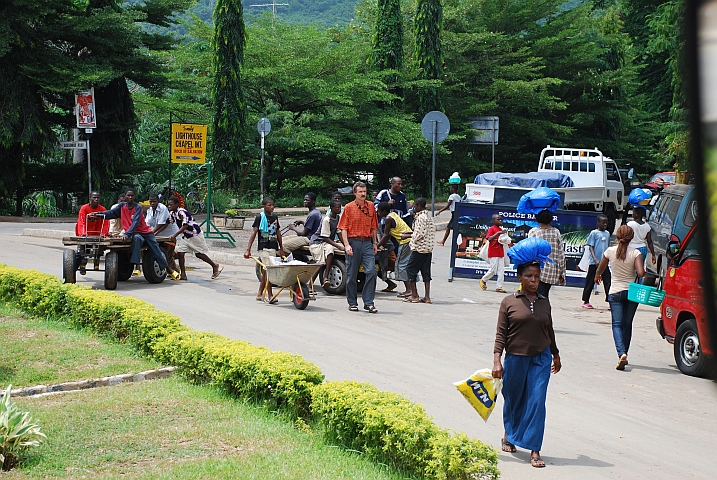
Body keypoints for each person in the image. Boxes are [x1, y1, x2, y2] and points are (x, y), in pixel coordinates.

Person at [492, 257, 561, 469]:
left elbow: (548, 330)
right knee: (513, 398)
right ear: (519, 277)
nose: (534, 281)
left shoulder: (544, 302)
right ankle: (509, 433)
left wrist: (555, 354)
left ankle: (534, 449)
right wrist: (497, 359)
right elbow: (501, 333)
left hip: (541, 358)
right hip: (515, 357)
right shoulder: (509, 302)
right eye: (529, 276)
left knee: (537, 402)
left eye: (537, 277)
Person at [90, 188, 173, 279]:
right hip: (135, 233)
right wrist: (98, 215)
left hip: (145, 232)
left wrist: (127, 234)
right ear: (125, 196)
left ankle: (168, 269)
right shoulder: (121, 206)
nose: (130, 197)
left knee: (155, 249)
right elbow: (111, 213)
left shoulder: (138, 207)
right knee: (137, 240)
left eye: (132, 195)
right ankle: (137, 267)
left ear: (134, 197)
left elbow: (135, 222)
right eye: (128, 195)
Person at [595, 225, 646, 370]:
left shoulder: (610, 251)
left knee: (617, 324)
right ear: (632, 237)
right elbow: (641, 273)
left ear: (617, 236)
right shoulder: (636, 253)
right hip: (631, 293)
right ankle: (625, 353)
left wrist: (597, 276)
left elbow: (601, 268)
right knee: (627, 324)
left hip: (615, 292)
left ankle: (621, 353)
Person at [338, 181, 379, 313]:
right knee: (351, 274)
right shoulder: (349, 208)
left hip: (367, 242)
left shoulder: (371, 206)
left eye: (364, 191)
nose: (363, 194)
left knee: (371, 271)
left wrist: (374, 243)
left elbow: (374, 227)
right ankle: (352, 302)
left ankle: (368, 302)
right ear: (355, 193)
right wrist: (346, 245)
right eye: (360, 192)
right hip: (353, 242)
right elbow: (343, 228)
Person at [166, 196, 222, 281]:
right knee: (181, 253)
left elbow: (185, 225)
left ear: (177, 204)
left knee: (199, 254)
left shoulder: (182, 212)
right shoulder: (172, 214)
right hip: (185, 236)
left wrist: (174, 235)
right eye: (168, 205)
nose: (169, 206)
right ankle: (183, 274)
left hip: (194, 234)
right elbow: (167, 223)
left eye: (171, 205)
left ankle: (215, 265)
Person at [244, 196, 285, 303]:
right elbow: (254, 233)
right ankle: (270, 295)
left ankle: (259, 294)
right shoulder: (259, 218)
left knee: (267, 271)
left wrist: (281, 248)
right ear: (264, 206)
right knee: (269, 270)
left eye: (273, 205)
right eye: (269, 205)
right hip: (264, 248)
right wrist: (248, 249)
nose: (272, 207)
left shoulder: (275, 217)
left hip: (273, 247)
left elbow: (278, 233)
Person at [528, 209, 566, 298]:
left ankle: (542, 311)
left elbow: (529, 250)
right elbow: (561, 254)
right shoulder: (556, 232)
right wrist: (562, 273)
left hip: (537, 269)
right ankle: (544, 310)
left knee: (539, 296)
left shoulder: (534, 231)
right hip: (552, 270)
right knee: (544, 294)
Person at [376, 202, 411, 296]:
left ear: (383, 211)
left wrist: (377, 245)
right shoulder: (393, 214)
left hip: (405, 242)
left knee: (400, 265)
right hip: (408, 240)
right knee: (402, 265)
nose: (378, 213)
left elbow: (386, 235)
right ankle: (410, 289)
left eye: (379, 211)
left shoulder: (388, 218)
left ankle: (409, 290)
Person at [404, 198, 434, 304]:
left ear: (420, 206)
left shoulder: (421, 218)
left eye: (415, 206)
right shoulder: (428, 217)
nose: (414, 208)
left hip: (419, 248)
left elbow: (419, 233)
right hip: (428, 249)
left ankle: (414, 295)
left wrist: (411, 240)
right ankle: (427, 297)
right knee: (426, 272)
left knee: (410, 269)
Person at [309, 199, 345, 288]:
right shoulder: (327, 220)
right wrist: (338, 246)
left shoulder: (337, 218)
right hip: (317, 242)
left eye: (340, 207)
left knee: (330, 251)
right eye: (337, 207)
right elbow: (325, 237)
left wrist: (345, 244)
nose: (339, 209)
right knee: (321, 264)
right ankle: (309, 285)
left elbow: (338, 232)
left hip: (326, 243)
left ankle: (326, 277)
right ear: (332, 208)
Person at [581, 214, 612, 309]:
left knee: (608, 281)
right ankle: (586, 300)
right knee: (590, 281)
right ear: (598, 223)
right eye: (603, 222)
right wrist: (595, 259)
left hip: (604, 262)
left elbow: (607, 247)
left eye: (606, 222)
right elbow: (591, 247)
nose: (605, 224)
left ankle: (610, 300)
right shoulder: (593, 233)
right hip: (594, 262)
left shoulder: (607, 234)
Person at [75, 191, 110, 274]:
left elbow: (106, 223)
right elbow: (81, 221)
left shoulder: (102, 209)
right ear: (90, 198)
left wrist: (104, 233)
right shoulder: (84, 208)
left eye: (98, 197)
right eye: (94, 197)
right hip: (86, 233)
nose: (96, 199)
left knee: (100, 248)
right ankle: (83, 264)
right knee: (84, 248)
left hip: (98, 233)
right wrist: (83, 233)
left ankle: (97, 260)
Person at [480, 214, 508, 293]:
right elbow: (489, 239)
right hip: (493, 252)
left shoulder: (502, 229)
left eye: (501, 219)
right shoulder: (491, 229)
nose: (500, 221)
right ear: (493, 221)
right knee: (493, 269)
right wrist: (499, 233)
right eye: (498, 219)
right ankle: (483, 280)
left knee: (501, 271)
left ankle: (499, 287)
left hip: (500, 252)